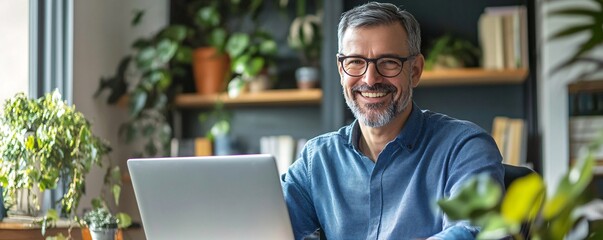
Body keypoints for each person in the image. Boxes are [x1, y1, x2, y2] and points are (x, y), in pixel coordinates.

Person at [281, 2, 504, 240]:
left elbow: (476, 231)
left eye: (388, 62)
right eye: (355, 61)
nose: (370, 79)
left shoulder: (464, 147)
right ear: (341, 70)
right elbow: (272, 228)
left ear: (415, 70)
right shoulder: (316, 160)